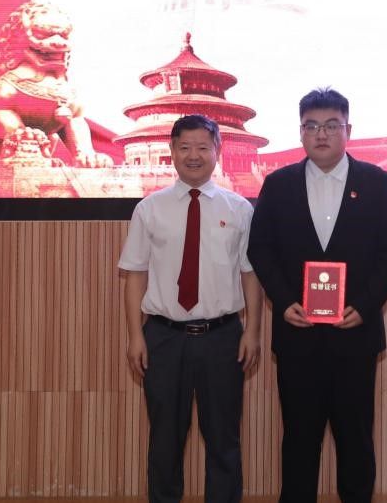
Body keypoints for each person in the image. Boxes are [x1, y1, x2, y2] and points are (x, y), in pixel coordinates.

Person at [248, 88, 387, 503]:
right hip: (297, 335)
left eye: (331, 125)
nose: (321, 134)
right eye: (312, 126)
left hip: (355, 335)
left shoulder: (377, 183)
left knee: (355, 439)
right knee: (299, 439)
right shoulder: (277, 185)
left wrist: (366, 306)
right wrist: (284, 301)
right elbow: (260, 249)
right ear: (300, 132)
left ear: (348, 130)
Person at [118, 114, 264, 503]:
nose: (193, 155)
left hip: (223, 337)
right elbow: (135, 275)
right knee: (165, 438)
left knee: (223, 439)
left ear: (218, 150)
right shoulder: (149, 209)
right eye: (184, 147)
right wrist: (135, 336)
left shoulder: (240, 209)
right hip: (163, 337)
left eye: (202, 147)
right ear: (172, 151)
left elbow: (250, 274)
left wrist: (252, 331)